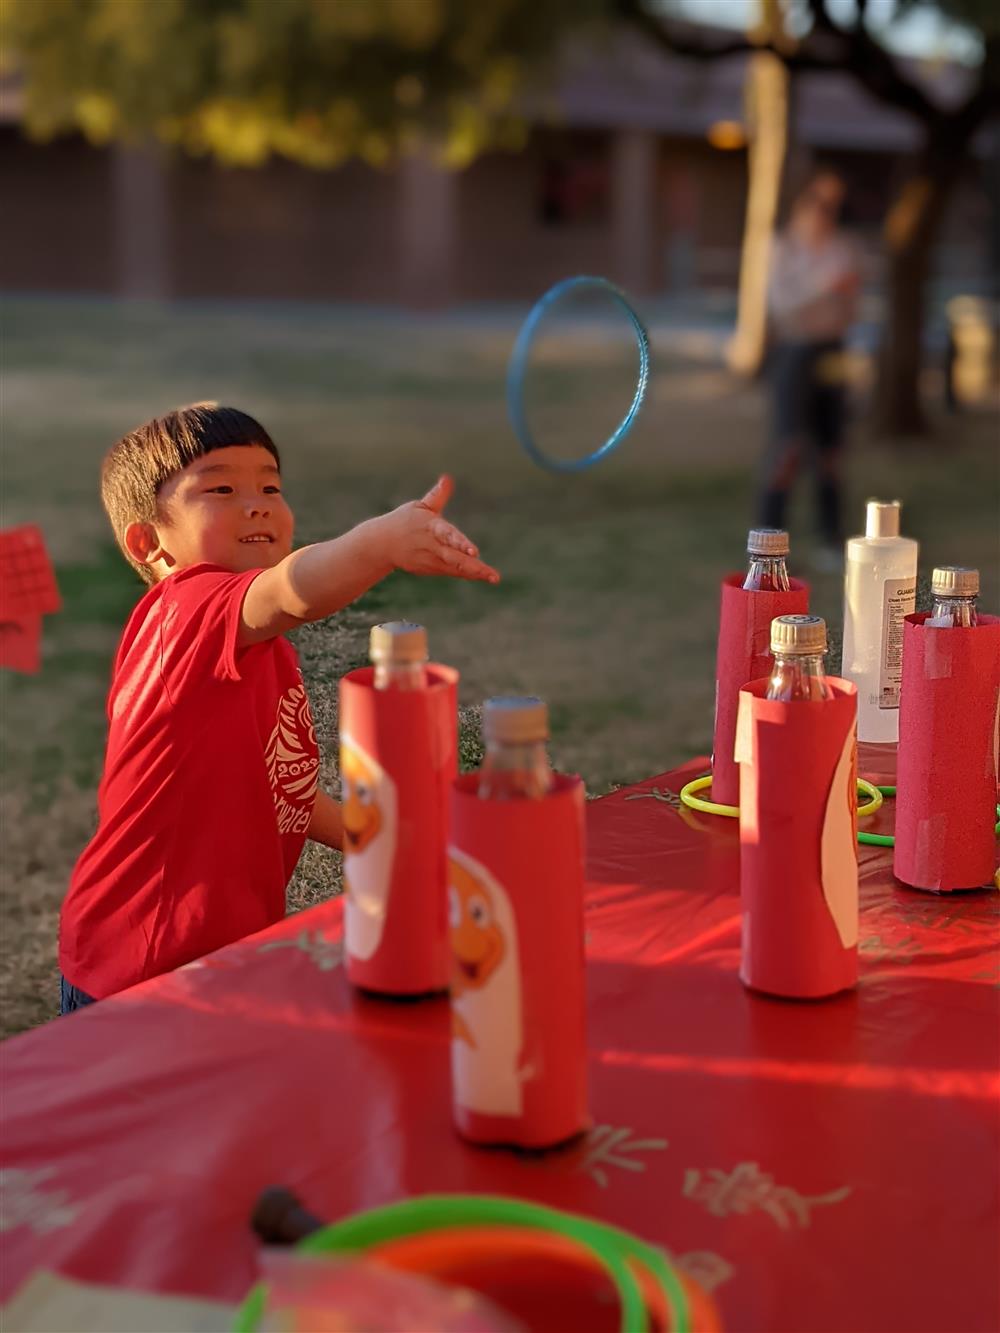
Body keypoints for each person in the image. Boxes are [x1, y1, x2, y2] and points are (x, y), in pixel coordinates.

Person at [58, 404, 499, 1013]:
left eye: (270, 485)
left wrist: (379, 838)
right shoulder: (184, 611)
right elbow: (293, 589)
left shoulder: (256, 643)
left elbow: (274, 787)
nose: (258, 502)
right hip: (143, 962)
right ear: (149, 542)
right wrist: (378, 543)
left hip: (216, 952)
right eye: (221, 488)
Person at [761, 168, 860, 569]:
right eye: (820, 202)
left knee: (830, 450)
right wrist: (825, 288)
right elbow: (782, 305)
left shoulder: (843, 246)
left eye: (835, 205)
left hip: (832, 349)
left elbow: (850, 307)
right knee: (788, 447)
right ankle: (767, 542)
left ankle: (829, 538)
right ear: (803, 201)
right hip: (794, 351)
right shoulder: (783, 246)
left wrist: (835, 298)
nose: (826, 212)